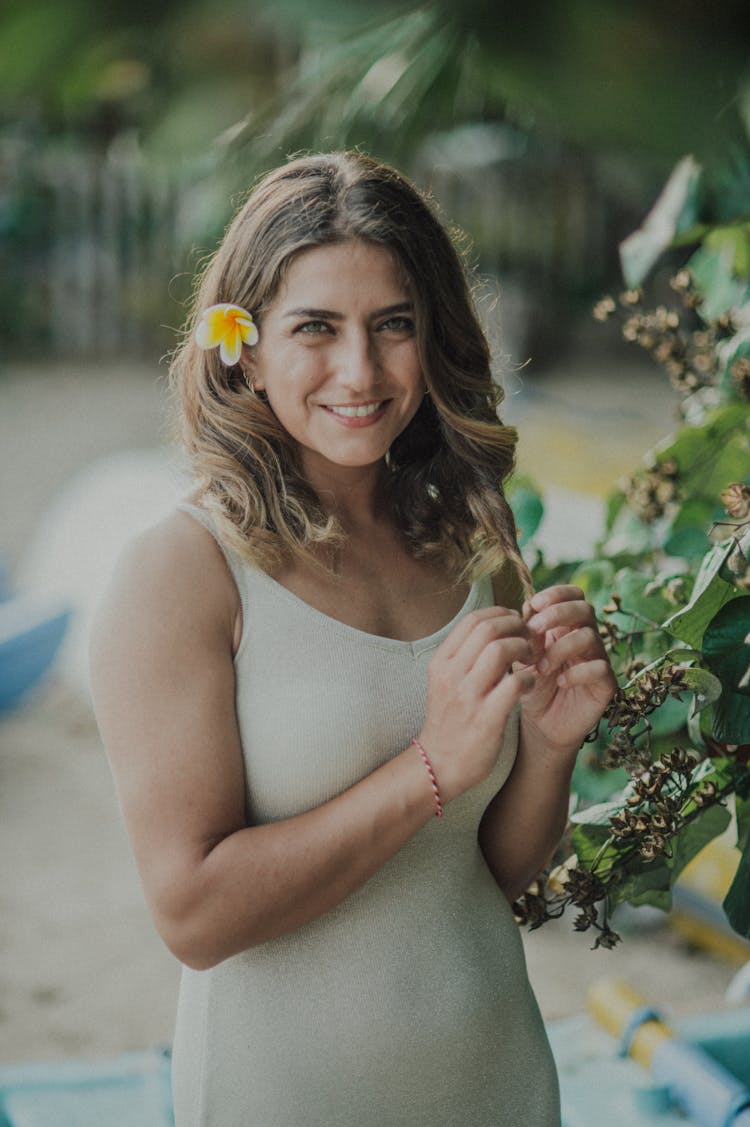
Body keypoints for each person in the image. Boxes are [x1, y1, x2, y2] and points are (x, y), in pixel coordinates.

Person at [90, 151, 615, 1127]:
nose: (361, 371)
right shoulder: (180, 573)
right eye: (315, 330)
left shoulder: (473, 546)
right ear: (240, 346)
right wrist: (429, 765)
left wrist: (547, 747)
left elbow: (490, 871)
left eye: (393, 326)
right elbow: (194, 914)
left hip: (500, 1084)